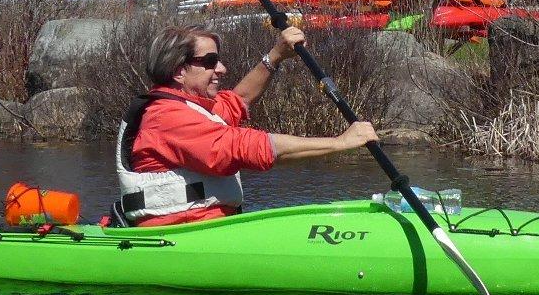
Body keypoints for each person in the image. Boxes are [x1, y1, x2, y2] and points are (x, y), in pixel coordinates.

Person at [115, 24, 379, 227]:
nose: (221, 68)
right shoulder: (167, 117)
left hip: (208, 226)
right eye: (209, 62)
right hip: (179, 233)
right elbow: (249, 147)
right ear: (178, 71)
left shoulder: (191, 107)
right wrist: (340, 142)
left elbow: (239, 99)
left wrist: (276, 55)